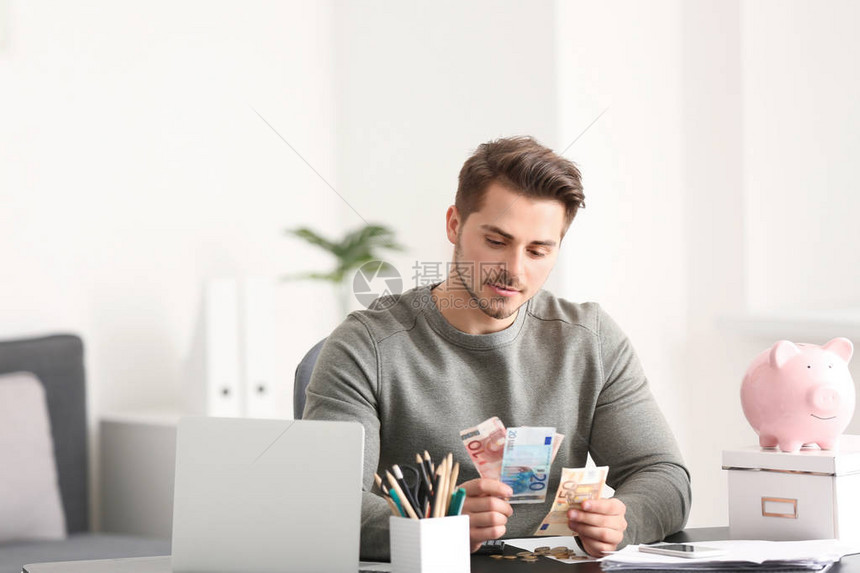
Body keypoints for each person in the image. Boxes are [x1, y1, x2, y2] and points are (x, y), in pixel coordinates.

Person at [303, 136, 691, 560]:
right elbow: (328, 505)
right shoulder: (367, 346)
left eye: (539, 250)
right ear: (454, 225)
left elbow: (664, 476)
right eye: (496, 241)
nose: (514, 270)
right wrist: (434, 524)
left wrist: (623, 520)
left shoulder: (590, 340)